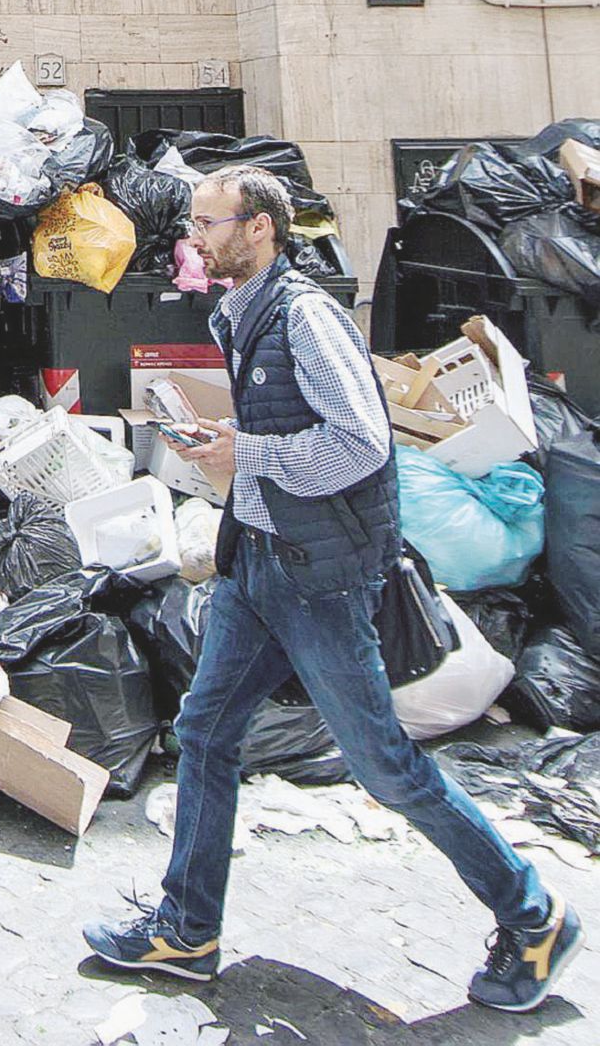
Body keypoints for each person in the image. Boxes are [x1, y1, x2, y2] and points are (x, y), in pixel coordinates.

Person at [83, 165, 583, 1013]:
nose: (194, 238)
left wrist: (249, 455)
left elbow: (361, 445)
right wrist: (233, 437)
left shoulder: (306, 315)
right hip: (259, 564)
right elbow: (291, 429)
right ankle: (188, 927)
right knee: (204, 732)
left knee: (384, 766)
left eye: (209, 223)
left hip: (318, 580)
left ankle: (533, 915)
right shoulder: (244, 310)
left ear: (259, 231)